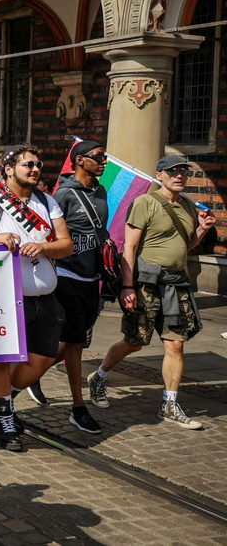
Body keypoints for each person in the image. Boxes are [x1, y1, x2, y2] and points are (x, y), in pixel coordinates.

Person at [0, 145, 73, 452]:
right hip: (5, 298)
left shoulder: (47, 201)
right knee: (0, 360)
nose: (35, 169)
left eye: (39, 164)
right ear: (9, 169)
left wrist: (43, 248)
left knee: (44, 357)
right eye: (28, 164)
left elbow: (66, 245)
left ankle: (0, 398)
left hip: (46, 297)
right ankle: (5, 418)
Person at [87, 155, 217, 430]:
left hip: (176, 284)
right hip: (146, 283)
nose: (179, 175)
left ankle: (169, 404)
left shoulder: (189, 208)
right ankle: (99, 375)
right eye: (172, 171)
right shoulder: (145, 203)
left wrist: (203, 231)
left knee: (175, 344)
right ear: (160, 175)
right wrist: (127, 286)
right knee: (135, 341)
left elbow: (185, 245)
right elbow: (130, 248)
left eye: (183, 171)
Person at [29, 141, 109, 434]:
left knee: (75, 340)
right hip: (66, 276)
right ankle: (78, 408)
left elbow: (99, 232)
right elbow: (44, 232)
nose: (104, 162)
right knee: (75, 344)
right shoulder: (62, 195)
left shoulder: (100, 192)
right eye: (98, 157)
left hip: (92, 278)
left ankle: (30, 372)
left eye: (105, 156)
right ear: (79, 160)